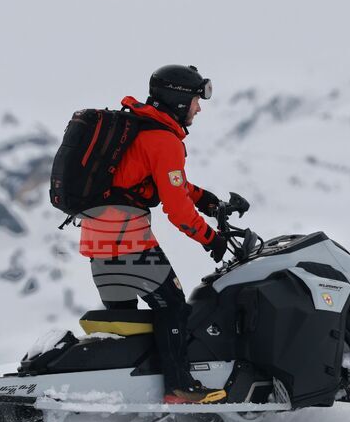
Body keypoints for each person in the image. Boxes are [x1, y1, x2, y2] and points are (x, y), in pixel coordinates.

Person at [79, 65, 249, 404]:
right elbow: (177, 210)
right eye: (195, 101)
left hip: (98, 236)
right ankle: (178, 387)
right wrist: (210, 239)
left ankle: (124, 393)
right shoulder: (163, 140)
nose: (198, 108)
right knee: (172, 305)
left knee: (127, 324)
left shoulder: (144, 132)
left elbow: (175, 186)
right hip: (127, 238)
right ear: (178, 100)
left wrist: (210, 201)